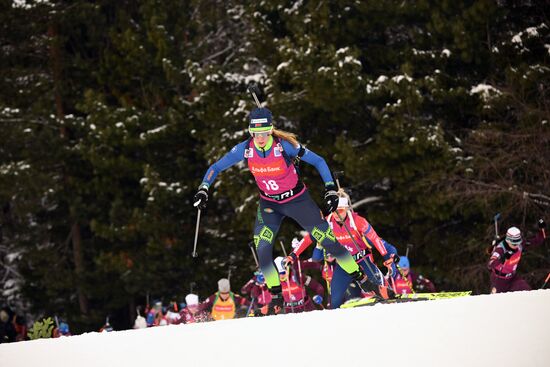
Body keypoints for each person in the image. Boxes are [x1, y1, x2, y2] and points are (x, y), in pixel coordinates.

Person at [193, 107, 381, 310]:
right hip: (269, 205)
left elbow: (319, 161)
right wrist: (204, 189)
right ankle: (276, 296)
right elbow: (216, 167)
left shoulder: (284, 146)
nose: (260, 138)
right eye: (256, 133)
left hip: (298, 201)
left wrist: (330, 190)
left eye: (264, 133)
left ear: (271, 130)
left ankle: (362, 278)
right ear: (250, 132)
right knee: (262, 247)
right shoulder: (245, 149)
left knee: (327, 240)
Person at [288, 196, 397, 308]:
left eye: (340, 210)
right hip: (345, 263)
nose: (336, 214)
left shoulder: (358, 221)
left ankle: (390, 299)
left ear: (346, 209)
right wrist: (293, 254)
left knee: (381, 287)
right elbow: (309, 238)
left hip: (363, 259)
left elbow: (375, 239)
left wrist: (386, 257)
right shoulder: (327, 223)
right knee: (335, 298)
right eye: (334, 210)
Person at [488, 220, 546, 293]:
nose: (515, 246)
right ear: (508, 240)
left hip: (512, 278)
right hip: (499, 280)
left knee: (526, 292)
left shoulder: (520, 245)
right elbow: (490, 264)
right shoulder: (500, 249)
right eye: (513, 243)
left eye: (517, 243)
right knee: (498, 301)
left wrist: (541, 229)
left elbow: (538, 241)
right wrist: (501, 259)